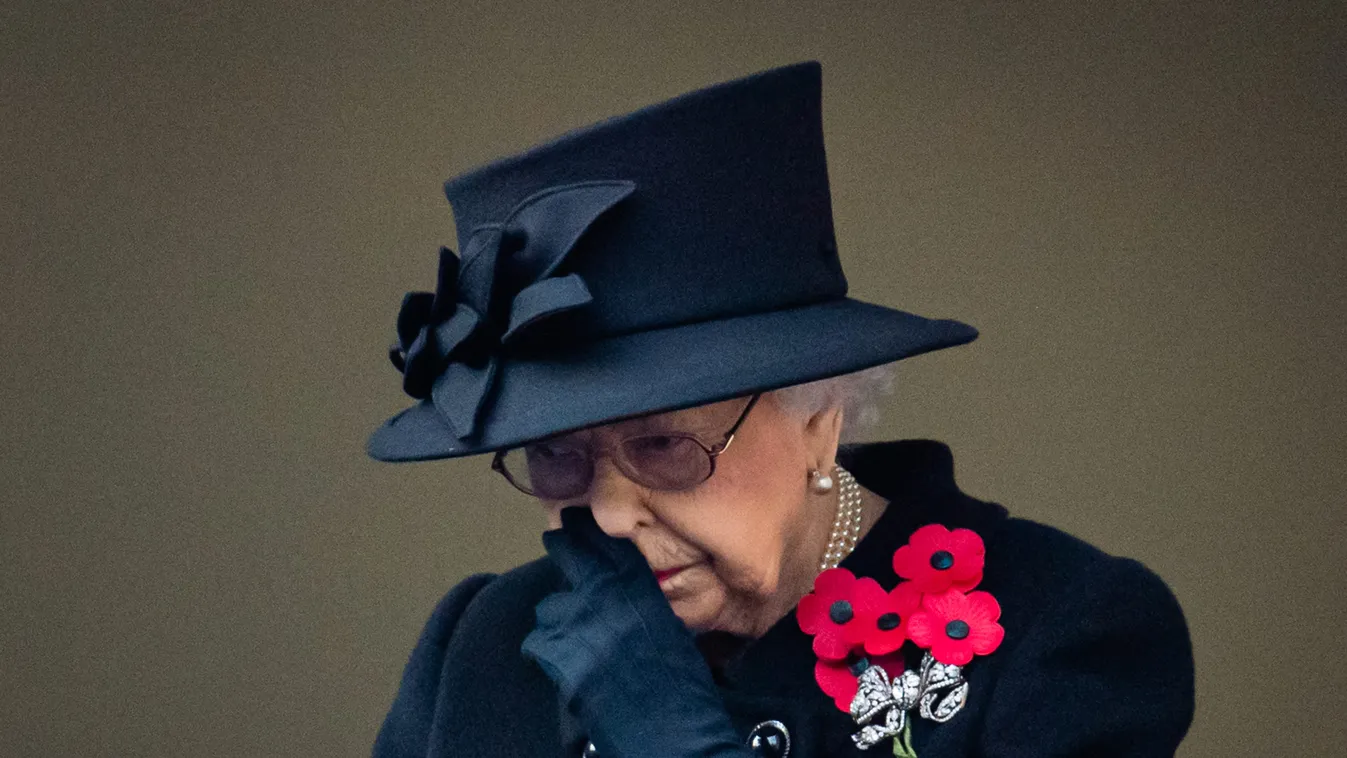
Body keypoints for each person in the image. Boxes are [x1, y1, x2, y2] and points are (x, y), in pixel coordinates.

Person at [366, 62, 1194, 758]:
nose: (610, 516)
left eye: (663, 445)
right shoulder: (485, 641)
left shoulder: (1059, 632)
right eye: (555, 454)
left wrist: (670, 740)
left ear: (818, 418)